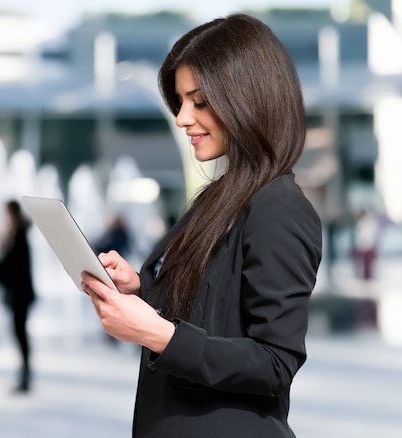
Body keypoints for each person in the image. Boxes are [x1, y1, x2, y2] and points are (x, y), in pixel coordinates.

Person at [80, 13, 322, 437]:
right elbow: (214, 310)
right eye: (180, 101)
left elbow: (275, 363)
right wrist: (140, 289)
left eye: (199, 101)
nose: (181, 118)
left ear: (247, 97)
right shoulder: (219, 198)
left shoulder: (279, 209)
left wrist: (160, 336)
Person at [0, 200, 36, 393]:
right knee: (20, 334)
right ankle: (24, 376)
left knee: (20, 334)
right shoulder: (20, 236)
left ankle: (25, 378)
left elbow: (8, 268)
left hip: (19, 295)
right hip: (21, 294)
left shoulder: (17, 238)